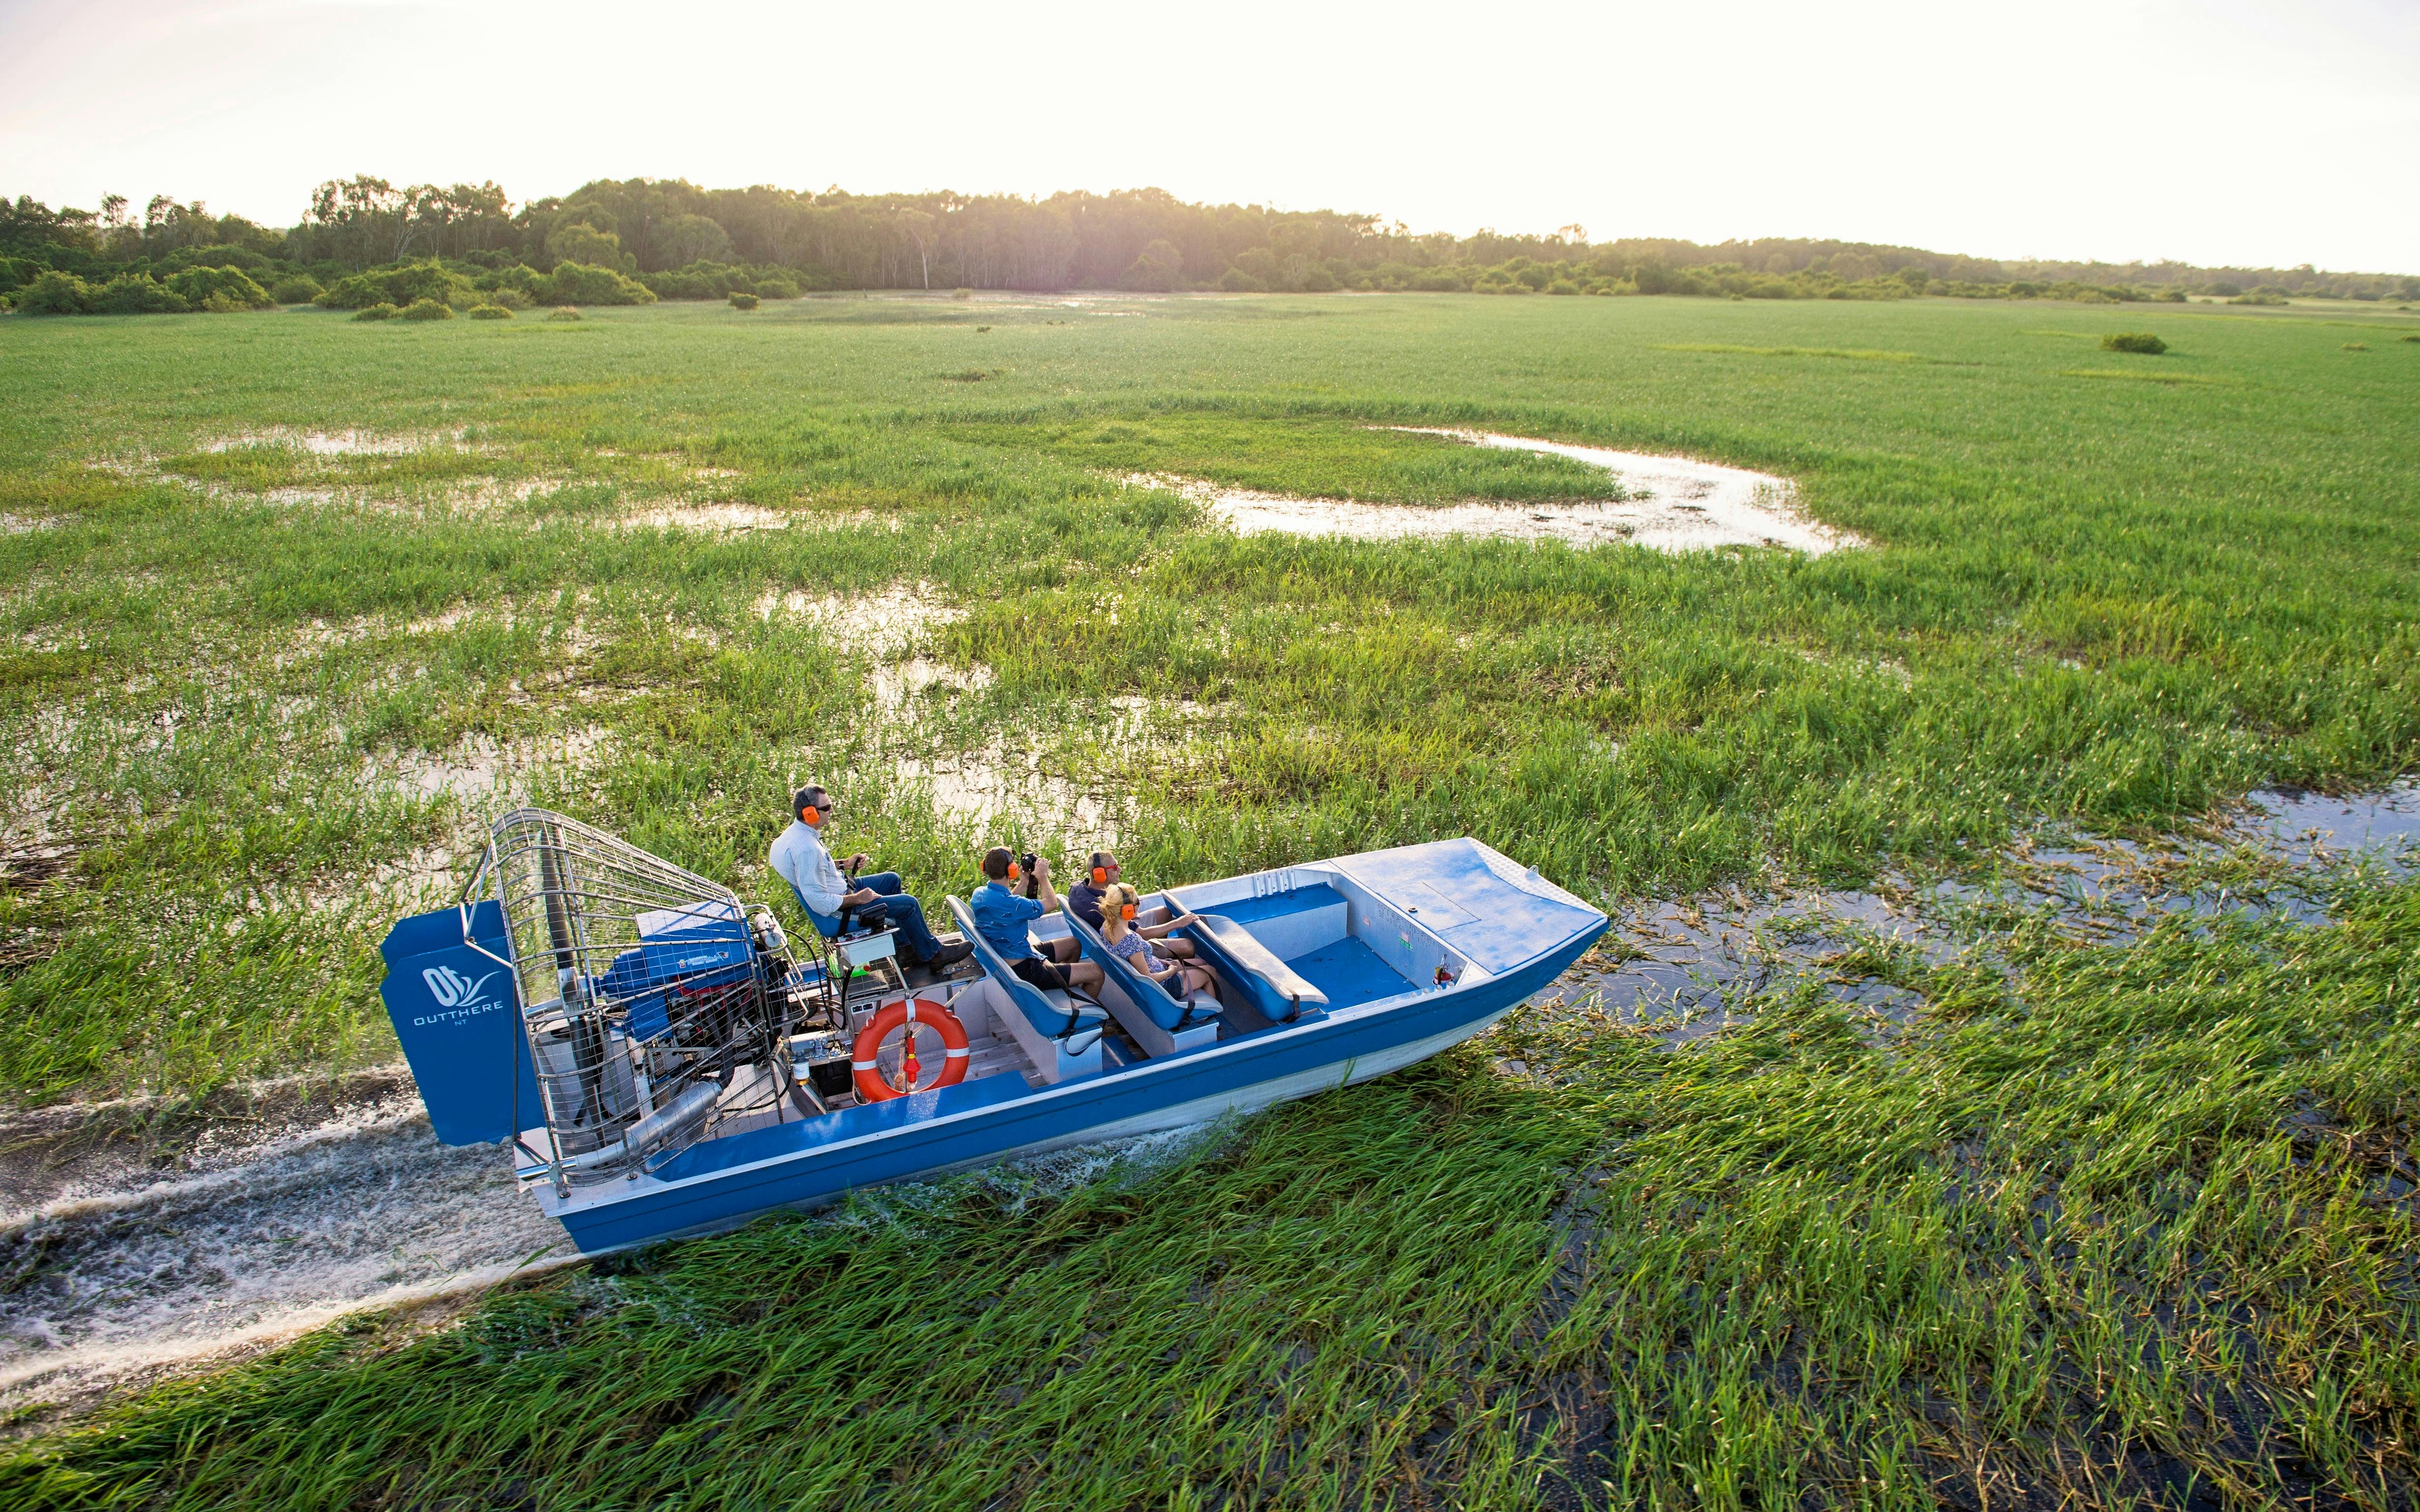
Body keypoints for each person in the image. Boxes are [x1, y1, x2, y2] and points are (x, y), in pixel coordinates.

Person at [768, 785, 970, 969]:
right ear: (810, 814)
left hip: (839, 891)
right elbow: (820, 903)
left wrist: (845, 864)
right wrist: (858, 898)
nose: (832, 811)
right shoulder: (808, 849)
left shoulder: (793, 836)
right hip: (839, 912)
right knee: (909, 904)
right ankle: (935, 955)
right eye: (827, 807)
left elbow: (813, 869)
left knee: (891, 880)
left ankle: (906, 950)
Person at [969, 847, 1103, 996]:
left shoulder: (979, 894)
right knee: (1097, 973)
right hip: (1026, 970)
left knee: (1074, 945)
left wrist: (1024, 882)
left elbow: (1005, 904)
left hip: (1014, 957)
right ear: (1012, 871)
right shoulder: (1015, 905)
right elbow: (1051, 903)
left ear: (984, 867)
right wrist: (1042, 876)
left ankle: (1061, 983)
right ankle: (1083, 1006)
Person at [1097, 882, 1218, 1002]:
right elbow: (1149, 979)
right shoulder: (1131, 941)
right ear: (1127, 910)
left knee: (1201, 962)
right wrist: (1171, 971)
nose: (1140, 905)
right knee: (1210, 971)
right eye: (1137, 903)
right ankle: (1213, 1011)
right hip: (1164, 986)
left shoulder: (1107, 927)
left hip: (1158, 967)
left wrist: (1161, 961)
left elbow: (1140, 960)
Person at [1065, 851, 1197, 961]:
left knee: (1164, 913)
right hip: (1128, 943)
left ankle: (1156, 956)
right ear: (1099, 874)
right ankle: (1150, 961)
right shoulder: (1103, 910)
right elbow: (1142, 934)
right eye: (1115, 867)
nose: (1120, 870)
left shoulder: (1078, 888)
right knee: (1188, 946)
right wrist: (1178, 923)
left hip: (1119, 931)